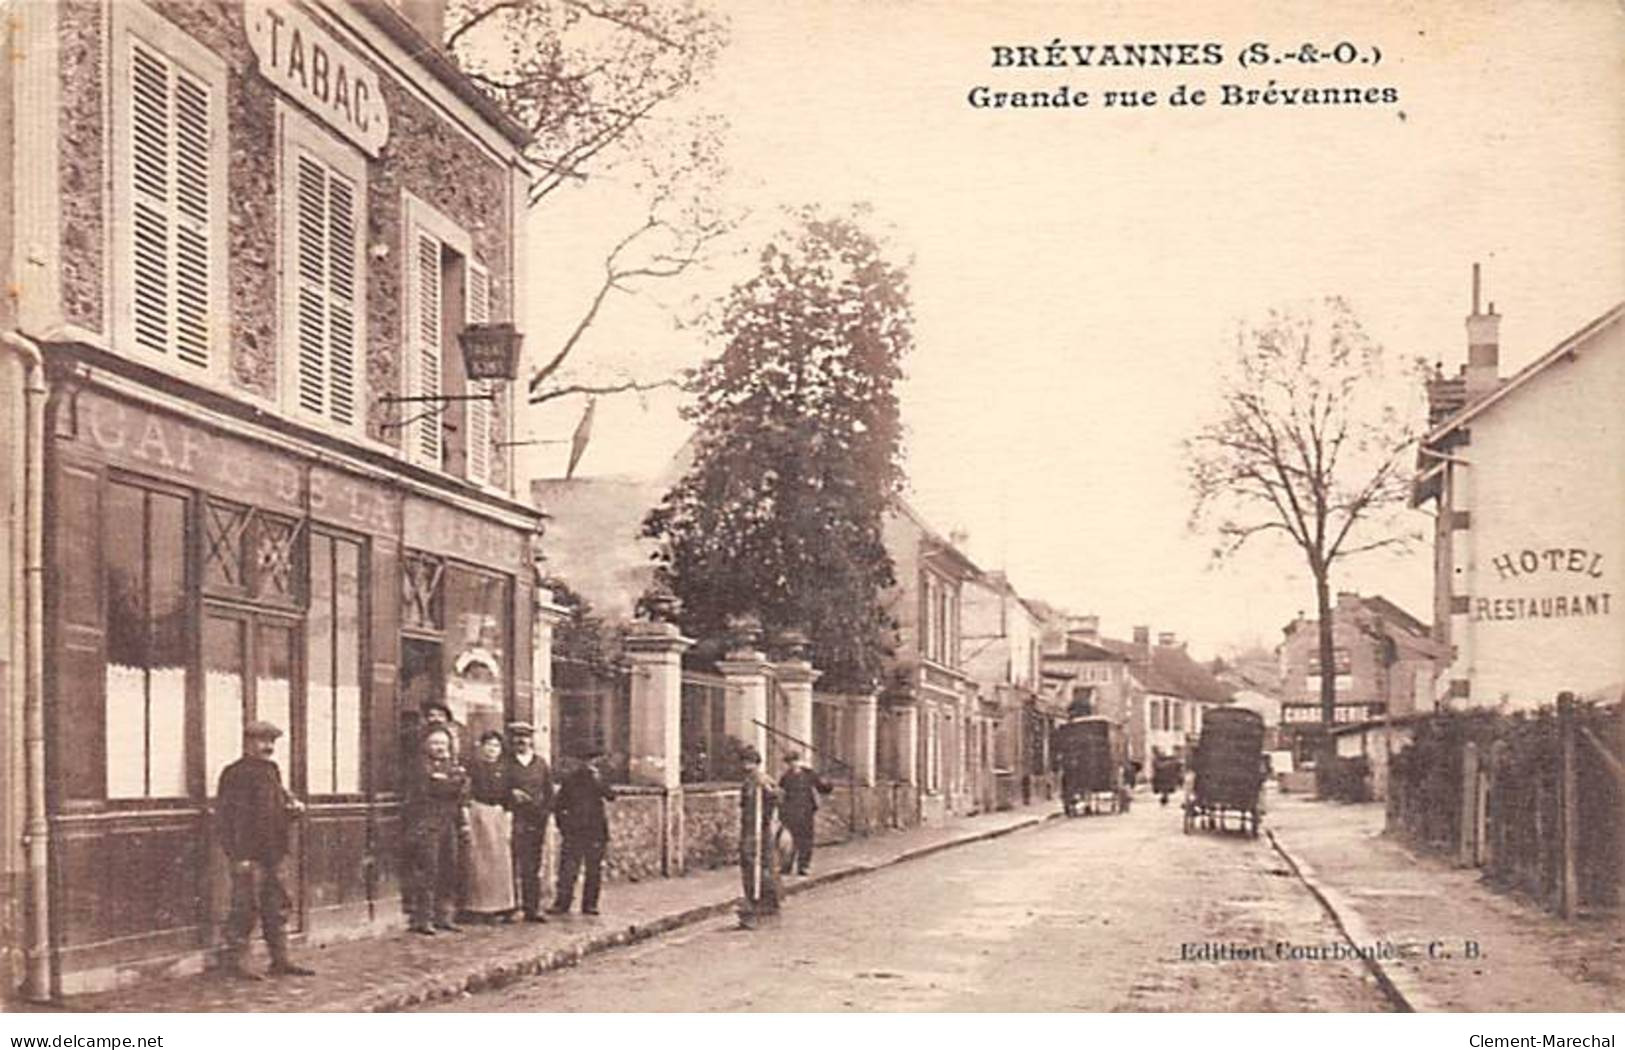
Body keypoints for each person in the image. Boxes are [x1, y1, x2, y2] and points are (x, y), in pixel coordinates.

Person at [215, 720, 314, 979]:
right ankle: (236, 963)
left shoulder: (272, 771)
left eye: (272, 742)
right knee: (244, 908)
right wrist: (238, 855)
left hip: (274, 852)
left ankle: (280, 960)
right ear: (247, 743)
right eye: (262, 741)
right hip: (248, 854)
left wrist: (292, 811)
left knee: (277, 906)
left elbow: (275, 809)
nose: (268, 747)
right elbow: (227, 818)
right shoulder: (234, 773)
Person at [404, 726, 468, 935]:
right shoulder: (419, 767)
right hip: (426, 824)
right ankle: (424, 918)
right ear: (426, 746)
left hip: (448, 824)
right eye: (435, 743)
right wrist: (451, 784)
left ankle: (445, 916)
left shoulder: (452, 765)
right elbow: (431, 791)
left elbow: (462, 791)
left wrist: (451, 784)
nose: (440, 748)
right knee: (428, 870)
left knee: (449, 869)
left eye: (443, 743)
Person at [549, 749, 615, 916]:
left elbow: (610, 795)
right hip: (574, 831)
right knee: (568, 869)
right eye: (584, 761)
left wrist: (599, 779)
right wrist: (564, 826)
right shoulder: (570, 780)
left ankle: (590, 904)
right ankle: (562, 903)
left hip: (595, 831)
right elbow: (559, 806)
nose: (587, 764)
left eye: (591, 760)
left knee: (594, 869)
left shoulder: (599, 778)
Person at [465, 730, 517, 921]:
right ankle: (479, 907)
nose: (492, 750)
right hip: (478, 813)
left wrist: (508, 814)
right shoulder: (474, 767)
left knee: (500, 861)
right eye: (489, 745)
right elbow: (467, 791)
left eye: (496, 746)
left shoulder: (506, 769)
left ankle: (502, 905)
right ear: (481, 746)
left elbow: (510, 793)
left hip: (498, 814)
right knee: (479, 861)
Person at [504, 722, 553, 922]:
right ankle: (512, 907)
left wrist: (544, 812)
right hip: (513, 818)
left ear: (531, 739)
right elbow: (497, 788)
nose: (521, 740)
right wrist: (510, 794)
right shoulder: (506, 763)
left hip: (535, 820)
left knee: (532, 865)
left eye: (525, 736)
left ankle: (532, 907)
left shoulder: (540, 764)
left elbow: (549, 792)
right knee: (511, 863)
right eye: (517, 736)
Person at [737, 746, 782, 930]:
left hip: (760, 830)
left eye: (750, 763)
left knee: (762, 865)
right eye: (745, 762)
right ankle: (752, 899)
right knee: (748, 864)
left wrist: (770, 793)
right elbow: (744, 806)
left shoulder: (763, 780)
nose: (747, 766)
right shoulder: (747, 782)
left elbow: (779, 797)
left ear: (756, 763)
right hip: (748, 828)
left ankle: (766, 903)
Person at [777, 751, 832, 876]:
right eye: (789, 762)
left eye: (794, 761)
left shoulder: (809, 775)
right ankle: (787, 866)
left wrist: (827, 784)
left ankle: (803, 866)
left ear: (799, 761)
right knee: (790, 841)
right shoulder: (786, 777)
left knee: (805, 840)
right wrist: (782, 813)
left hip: (806, 812)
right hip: (790, 812)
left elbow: (822, 788)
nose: (792, 764)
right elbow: (782, 795)